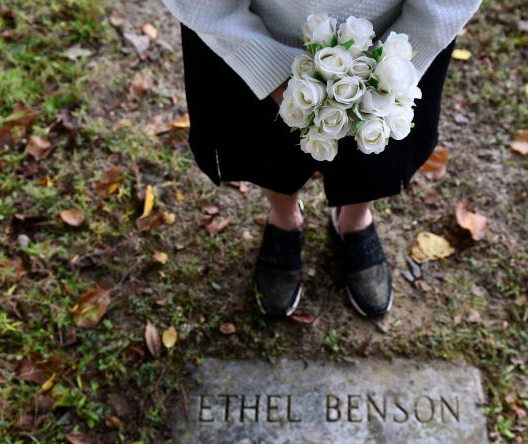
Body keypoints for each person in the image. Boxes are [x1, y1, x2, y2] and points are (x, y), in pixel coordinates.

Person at [162, 1, 480, 318]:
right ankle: (284, 218)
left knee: (374, 150)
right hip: (254, 28)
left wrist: (397, 63)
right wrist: (266, 67)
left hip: (394, 28)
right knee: (265, 147)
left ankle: (354, 221)